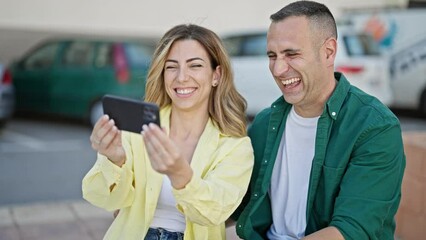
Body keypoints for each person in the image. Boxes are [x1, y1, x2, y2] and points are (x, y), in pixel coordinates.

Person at [231, 1, 406, 239]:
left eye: (292, 54)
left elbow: (351, 230)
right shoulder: (264, 124)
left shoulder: (374, 127)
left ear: (328, 52)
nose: (278, 69)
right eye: (272, 56)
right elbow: (237, 205)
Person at [82, 24, 254, 240]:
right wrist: (114, 160)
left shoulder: (235, 145)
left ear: (216, 75)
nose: (181, 77)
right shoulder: (137, 128)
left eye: (195, 66)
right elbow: (105, 200)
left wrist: (180, 174)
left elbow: (216, 212)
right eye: (171, 67)